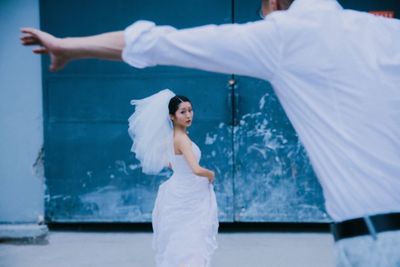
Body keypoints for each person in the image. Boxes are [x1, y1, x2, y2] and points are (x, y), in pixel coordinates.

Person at [20, 0, 400, 266]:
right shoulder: (385, 31)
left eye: (261, 11)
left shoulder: (285, 35)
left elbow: (158, 42)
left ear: (273, 2)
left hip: (376, 238)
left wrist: (68, 46)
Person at [128, 89, 218, 267]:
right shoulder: (182, 139)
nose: (188, 115)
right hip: (189, 193)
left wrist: (179, 167)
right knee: (192, 239)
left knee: (182, 238)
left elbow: (171, 162)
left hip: (180, 190)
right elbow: (196, 169)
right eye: (182, 112)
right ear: (172, 116)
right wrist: (211, 174)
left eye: (190, 110)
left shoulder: (173, 138)